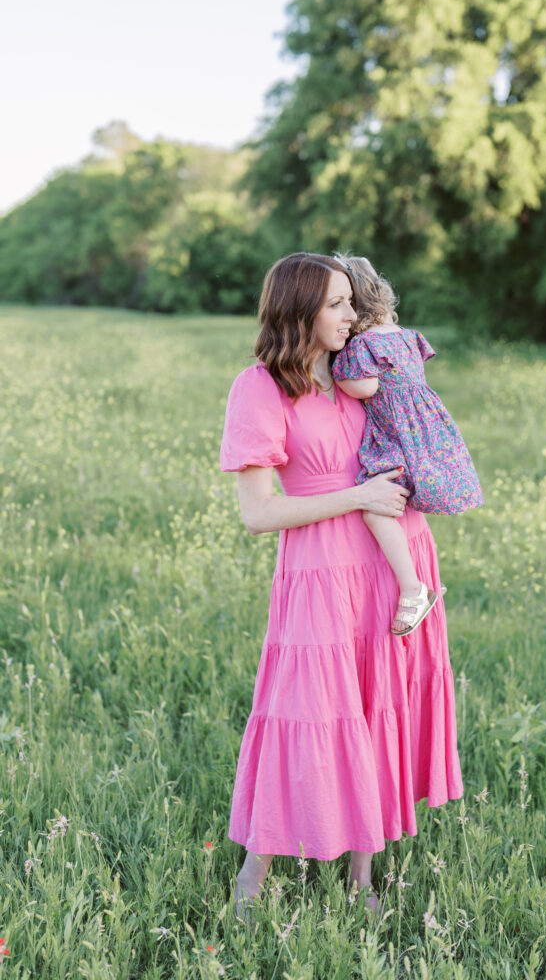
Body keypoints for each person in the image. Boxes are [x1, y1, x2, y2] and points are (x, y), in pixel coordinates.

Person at [220, 252, 464, 921]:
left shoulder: (354, 369)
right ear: (297, 310)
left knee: (378, 705)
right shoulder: (261, 386)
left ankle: (362, 877)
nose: (349, 314)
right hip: (321, 571)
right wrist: (356, 493)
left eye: (350, 302)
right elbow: (257, 513)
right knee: (306, 709)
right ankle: (253, 879)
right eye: (335, 304)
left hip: (394, 556)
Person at [331, 256, 484, 637]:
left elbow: (365, 387)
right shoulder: (405, 336)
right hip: (427, 432)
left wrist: (338, 374)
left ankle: (413, 589)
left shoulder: (362, 345)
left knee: (376, 510)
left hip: (399, 440)